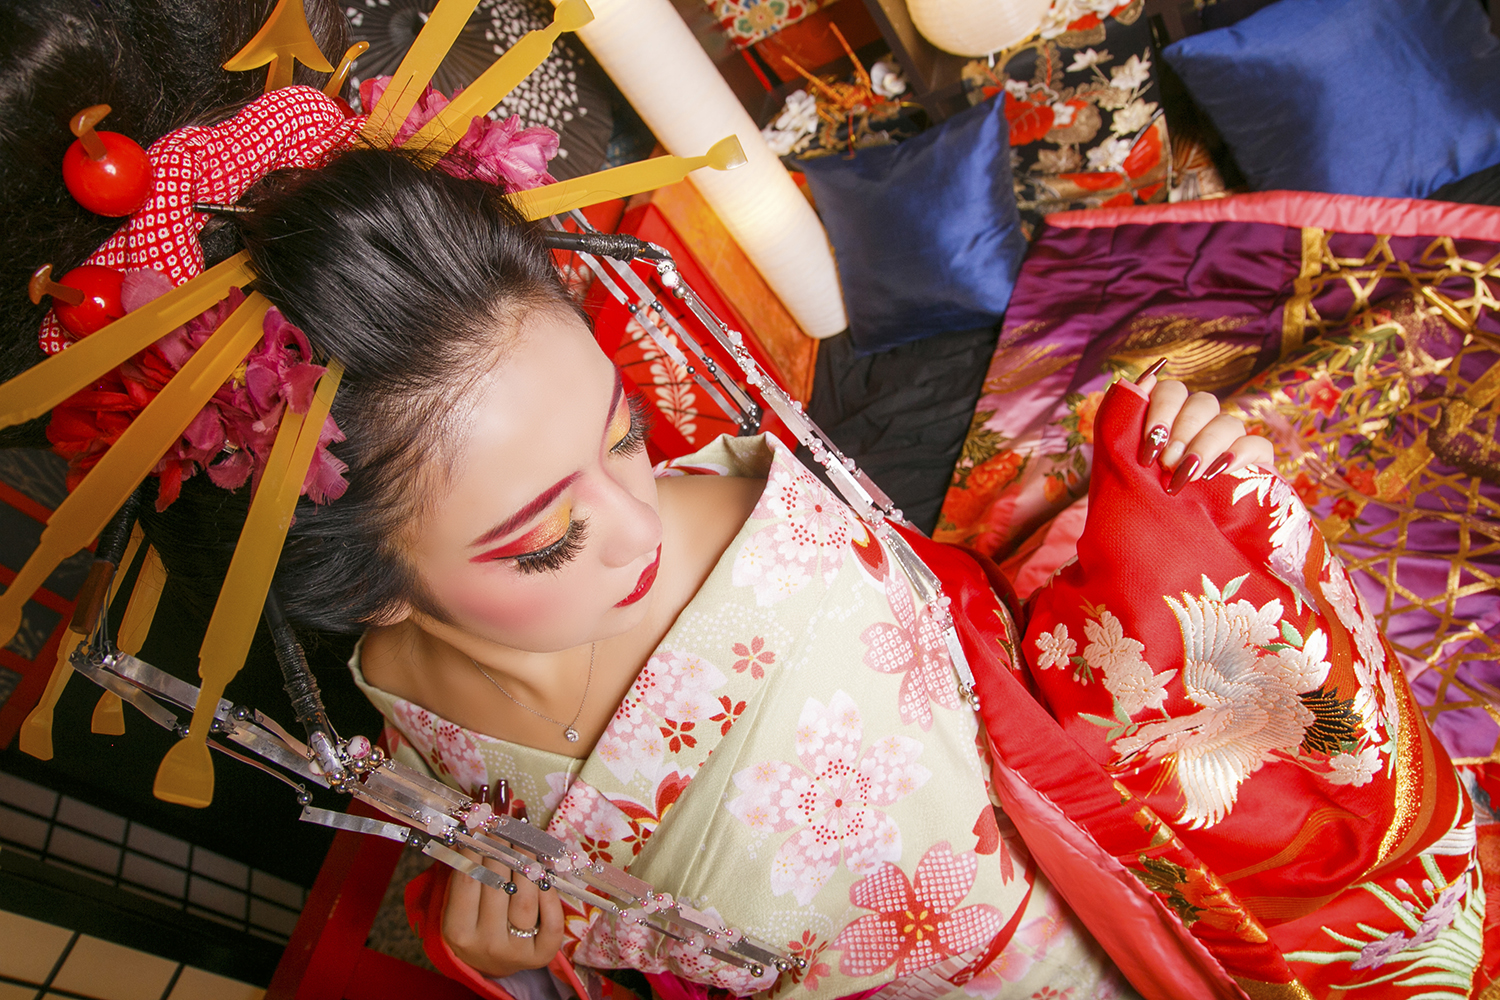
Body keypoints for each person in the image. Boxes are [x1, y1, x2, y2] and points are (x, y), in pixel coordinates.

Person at [2, 5, 1478, 999]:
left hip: (1094, 925)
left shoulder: (765, 523)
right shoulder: (392, 714)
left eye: (623, 434)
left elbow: (1022, 670)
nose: (643, 522)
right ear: (365, 579)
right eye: (548, 535)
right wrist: (497, 949)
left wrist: (1182, 542)